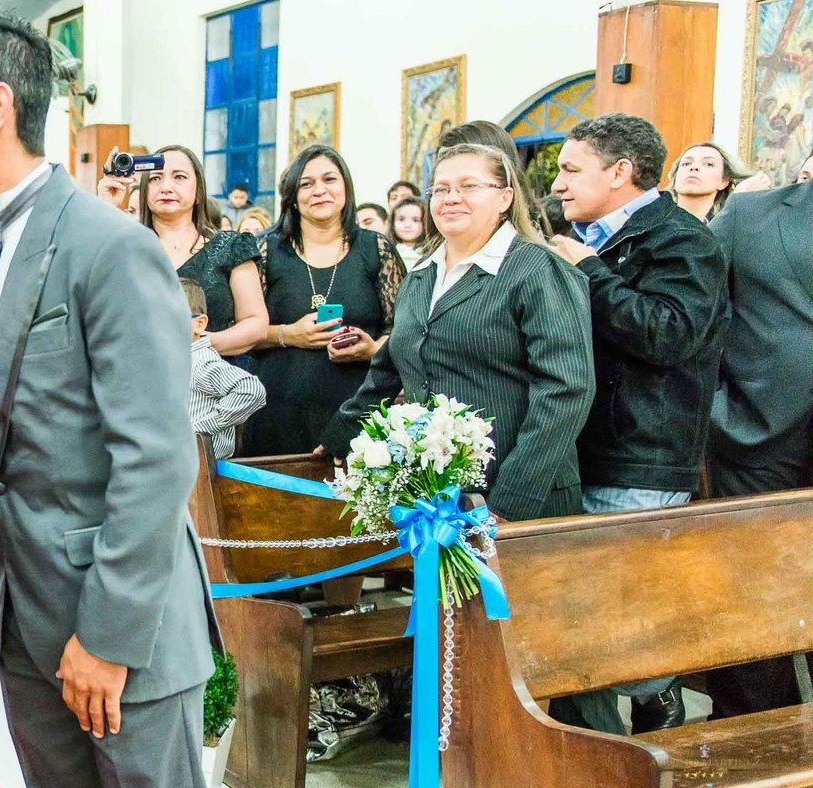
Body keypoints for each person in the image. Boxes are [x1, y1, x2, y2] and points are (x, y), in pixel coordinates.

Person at [0, 11, 220, 788]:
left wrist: (107, 637)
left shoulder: (108, 245)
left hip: (121, 630)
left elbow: (155, 455)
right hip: (28, 618)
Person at [549, 112, 729, 736]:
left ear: (620, 172)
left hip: (640, 454)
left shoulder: (683, 240)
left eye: (571, 170)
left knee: (614, 629)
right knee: (579, 625)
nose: (559, 184)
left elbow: (667, 333)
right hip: (577, 448)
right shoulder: (579, 234)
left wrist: (588, 273)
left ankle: (654, 709)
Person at [321, 142, 594, 521]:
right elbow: (390, 365)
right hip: (436, 494)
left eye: (468, 186)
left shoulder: (538, 270)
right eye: (442, 189)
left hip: (521, 496)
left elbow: (567, 390)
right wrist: (342, 433)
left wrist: (509, 502)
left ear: (504, 197)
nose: (451, 198)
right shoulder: (420, 276)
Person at [703, 173, 813, 720]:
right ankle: (751, 741)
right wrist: (718, 405)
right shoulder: (750, 218)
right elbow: (697, 315)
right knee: (748, 594)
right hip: (757, 435)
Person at [243, 144, 406, 457]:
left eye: (329, 180)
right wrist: (289, 334)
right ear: (292, 194)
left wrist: (373, 349)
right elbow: (238, 331)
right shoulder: (265, 250)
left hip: (357, 416)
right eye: (306, 183)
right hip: (276, 411)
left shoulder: (376, 249)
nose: (319, 190)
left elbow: (401, 329)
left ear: (345, 186)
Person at [99, 145, 268, 356]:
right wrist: (106, 207)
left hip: (213, 379)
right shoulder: (124, 247)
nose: (166, 187)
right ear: (144, 191)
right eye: (155, 179)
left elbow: (256, 323)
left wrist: (200, 342)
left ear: (198, 192)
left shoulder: (231, 246)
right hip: (138, 378)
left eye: (179, 177)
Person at [182, 278, 266, 459]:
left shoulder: (200, 363)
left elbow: (250, 389)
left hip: (201, 473)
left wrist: (198, 429)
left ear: (199, 324)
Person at [665, 141, 767, 222]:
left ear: (723, 182)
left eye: (708, 164)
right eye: (686, 163)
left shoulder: (729, 229)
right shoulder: (655, 221)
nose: (694, 167)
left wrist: (736, 201)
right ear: (675, 179)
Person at [387, 196, 424, 264]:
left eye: (415, 220)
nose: (407, 225)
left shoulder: (434, 254)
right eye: (401, 219)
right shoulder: (385, 253)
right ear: (392, 222)